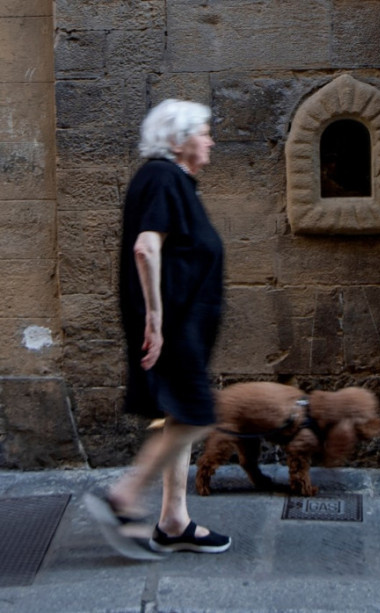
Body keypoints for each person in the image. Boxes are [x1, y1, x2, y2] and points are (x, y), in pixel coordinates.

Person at [85, 99, 231, 558]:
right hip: (174, 325)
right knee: (196, 414)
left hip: (182, 324)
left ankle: (173, 521)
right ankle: (123, 497)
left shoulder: (174, 181)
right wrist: (155, 318)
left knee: (180, 414)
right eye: (203, 132)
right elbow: (146, 248)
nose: (210, 141)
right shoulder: (163, 177)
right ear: (178, 140)